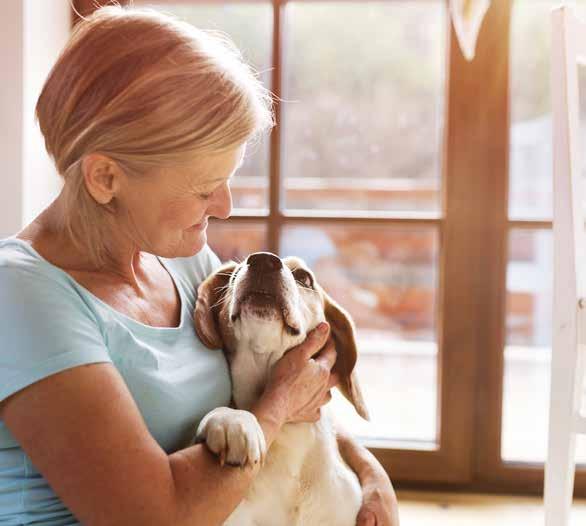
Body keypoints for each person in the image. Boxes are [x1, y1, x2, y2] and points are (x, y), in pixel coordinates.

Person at [0, 5, 399, 525]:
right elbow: (154, 515)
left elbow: (291, 397)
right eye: (204, 187)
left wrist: (370, 474)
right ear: (105, 178)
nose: (225, 205)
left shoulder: (185, 268)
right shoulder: (22, 296)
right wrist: (275, 405)